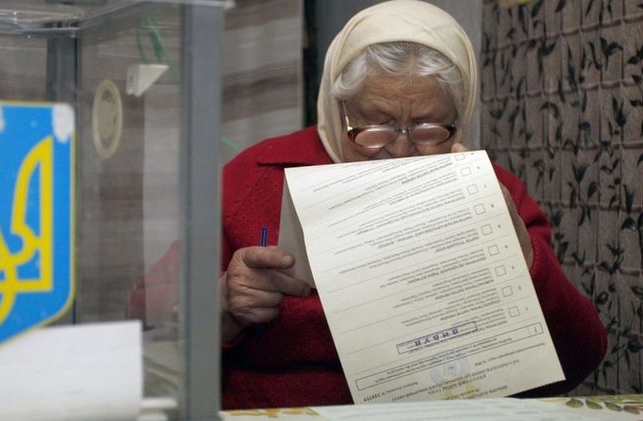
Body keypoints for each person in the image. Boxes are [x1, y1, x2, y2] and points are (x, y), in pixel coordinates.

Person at [217, 0, 607, 410]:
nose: (401, 150)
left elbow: (577, 360)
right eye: (375, 124)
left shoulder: (492, 193)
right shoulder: (255, 178)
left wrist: (522, 259)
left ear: (460, 118)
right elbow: (169, 338)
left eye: (428, 127)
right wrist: (224, 305)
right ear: (339, 109)